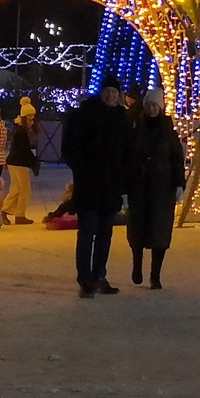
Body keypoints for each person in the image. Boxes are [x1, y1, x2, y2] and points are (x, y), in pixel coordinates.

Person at [63, 82, 133, 297]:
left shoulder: (122, 118)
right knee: (87, 233)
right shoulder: (84, 115)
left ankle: (99, 275)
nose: (112, 95)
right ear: (101, 93)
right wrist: (82, 172)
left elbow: (127, 152)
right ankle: (86, 280)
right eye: (108, 91)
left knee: (105, 234)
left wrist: (123, 180)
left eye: (115, 92)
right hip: (89, 185)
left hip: (111, 186)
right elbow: (69, 148)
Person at [125, 88, 187, 289]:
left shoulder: (168, 132)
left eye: (155, 105)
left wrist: (179, 183)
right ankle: (137, 265)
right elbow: (129, 159)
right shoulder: (136, 129)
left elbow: (177, 159)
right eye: (149, 105)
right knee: (137, 228)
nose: (151, 109)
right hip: (140, 186)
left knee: (159, 232)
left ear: (160, 108)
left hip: (162, 188)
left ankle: (155, 275)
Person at [3, 97, 41, 224]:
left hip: (14, 162)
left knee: (16, 188)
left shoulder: (20, 130)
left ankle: (6, 211)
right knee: (24, 189)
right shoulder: (21, 132)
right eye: (29, 118)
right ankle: (19, 214)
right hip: (19, 163)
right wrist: (34, 163)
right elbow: (24, 151)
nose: (31, 121)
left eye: (32, 118)